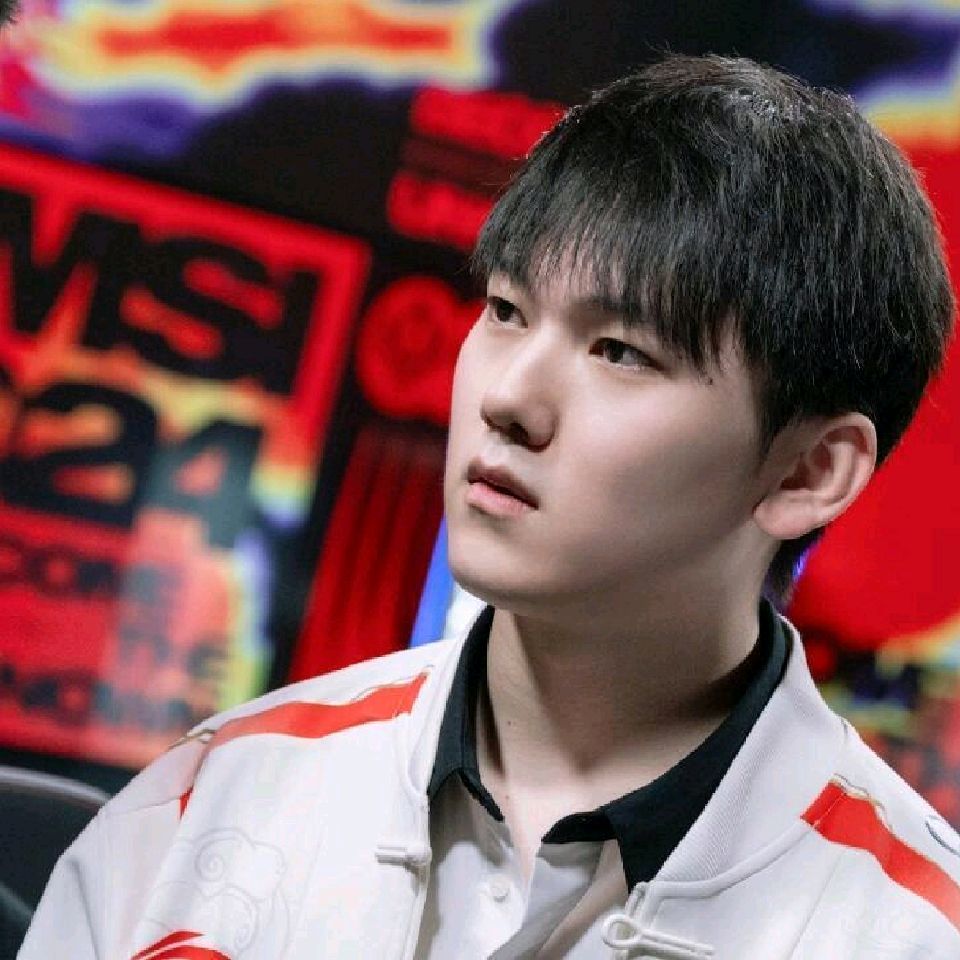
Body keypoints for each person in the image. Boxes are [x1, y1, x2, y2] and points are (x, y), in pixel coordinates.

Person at [19, 53, 959, 960]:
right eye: (507, 310)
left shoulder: (915, 931)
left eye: (620, 352)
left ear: (806, 473)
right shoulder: (203, 806)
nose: (508, 397)